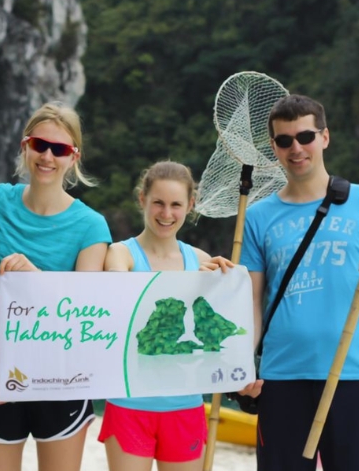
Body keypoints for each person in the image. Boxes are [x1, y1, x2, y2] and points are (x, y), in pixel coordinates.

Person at [240, 94, 359, 471]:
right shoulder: (257, 217)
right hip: (282, 376)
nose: (296, 148)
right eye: (285, 140)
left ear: (325, 137)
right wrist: (241, 366)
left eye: (306, 137)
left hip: (354, 372)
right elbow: (251, 303)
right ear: (274, 147)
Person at [0, 102, 112, 471]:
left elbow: (84, 311)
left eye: (59, 149)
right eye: (39, 145)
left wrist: (35, 276)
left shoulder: (91, 226)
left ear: (73, 157)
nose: (47, 156)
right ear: (25, 146)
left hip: (62, 368)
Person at [98, 160, 254, 471]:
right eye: (158, 202)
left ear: (190, 205)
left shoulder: (201, 260)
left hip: (186, 407)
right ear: (142, 199)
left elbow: (216, 333)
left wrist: (239, 373)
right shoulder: (121, 255)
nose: (166, 214)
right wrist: (190, 283)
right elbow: (119, 298)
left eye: (176, 205)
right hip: (129, 405)